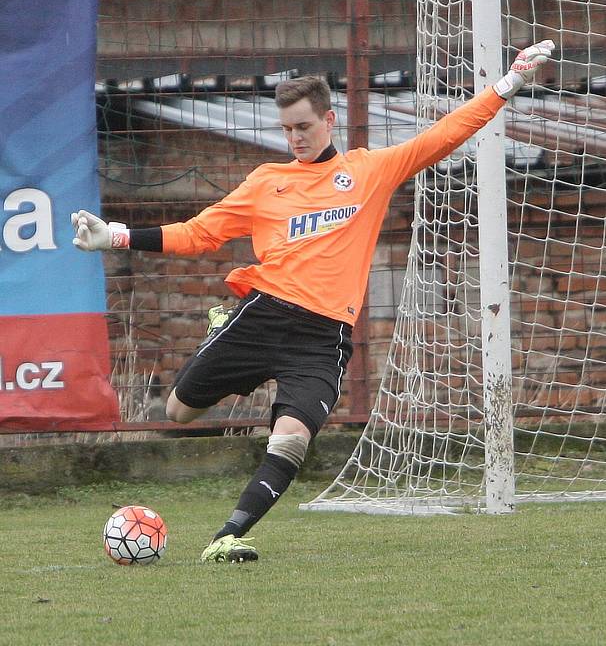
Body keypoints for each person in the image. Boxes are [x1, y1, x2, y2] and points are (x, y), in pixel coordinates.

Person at [72, 40, 554, 563]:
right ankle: (222, 329)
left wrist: (505, 86)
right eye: (286, 129)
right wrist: (118, 236)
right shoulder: (267, 183)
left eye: (303, 126)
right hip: (265, 313)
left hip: (324, 337)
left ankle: (227, 536)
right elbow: (197, 234)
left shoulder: (367, 172)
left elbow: (441, 137)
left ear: (329, 120)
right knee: (179, 410)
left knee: (294, 438)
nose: (295, 137)